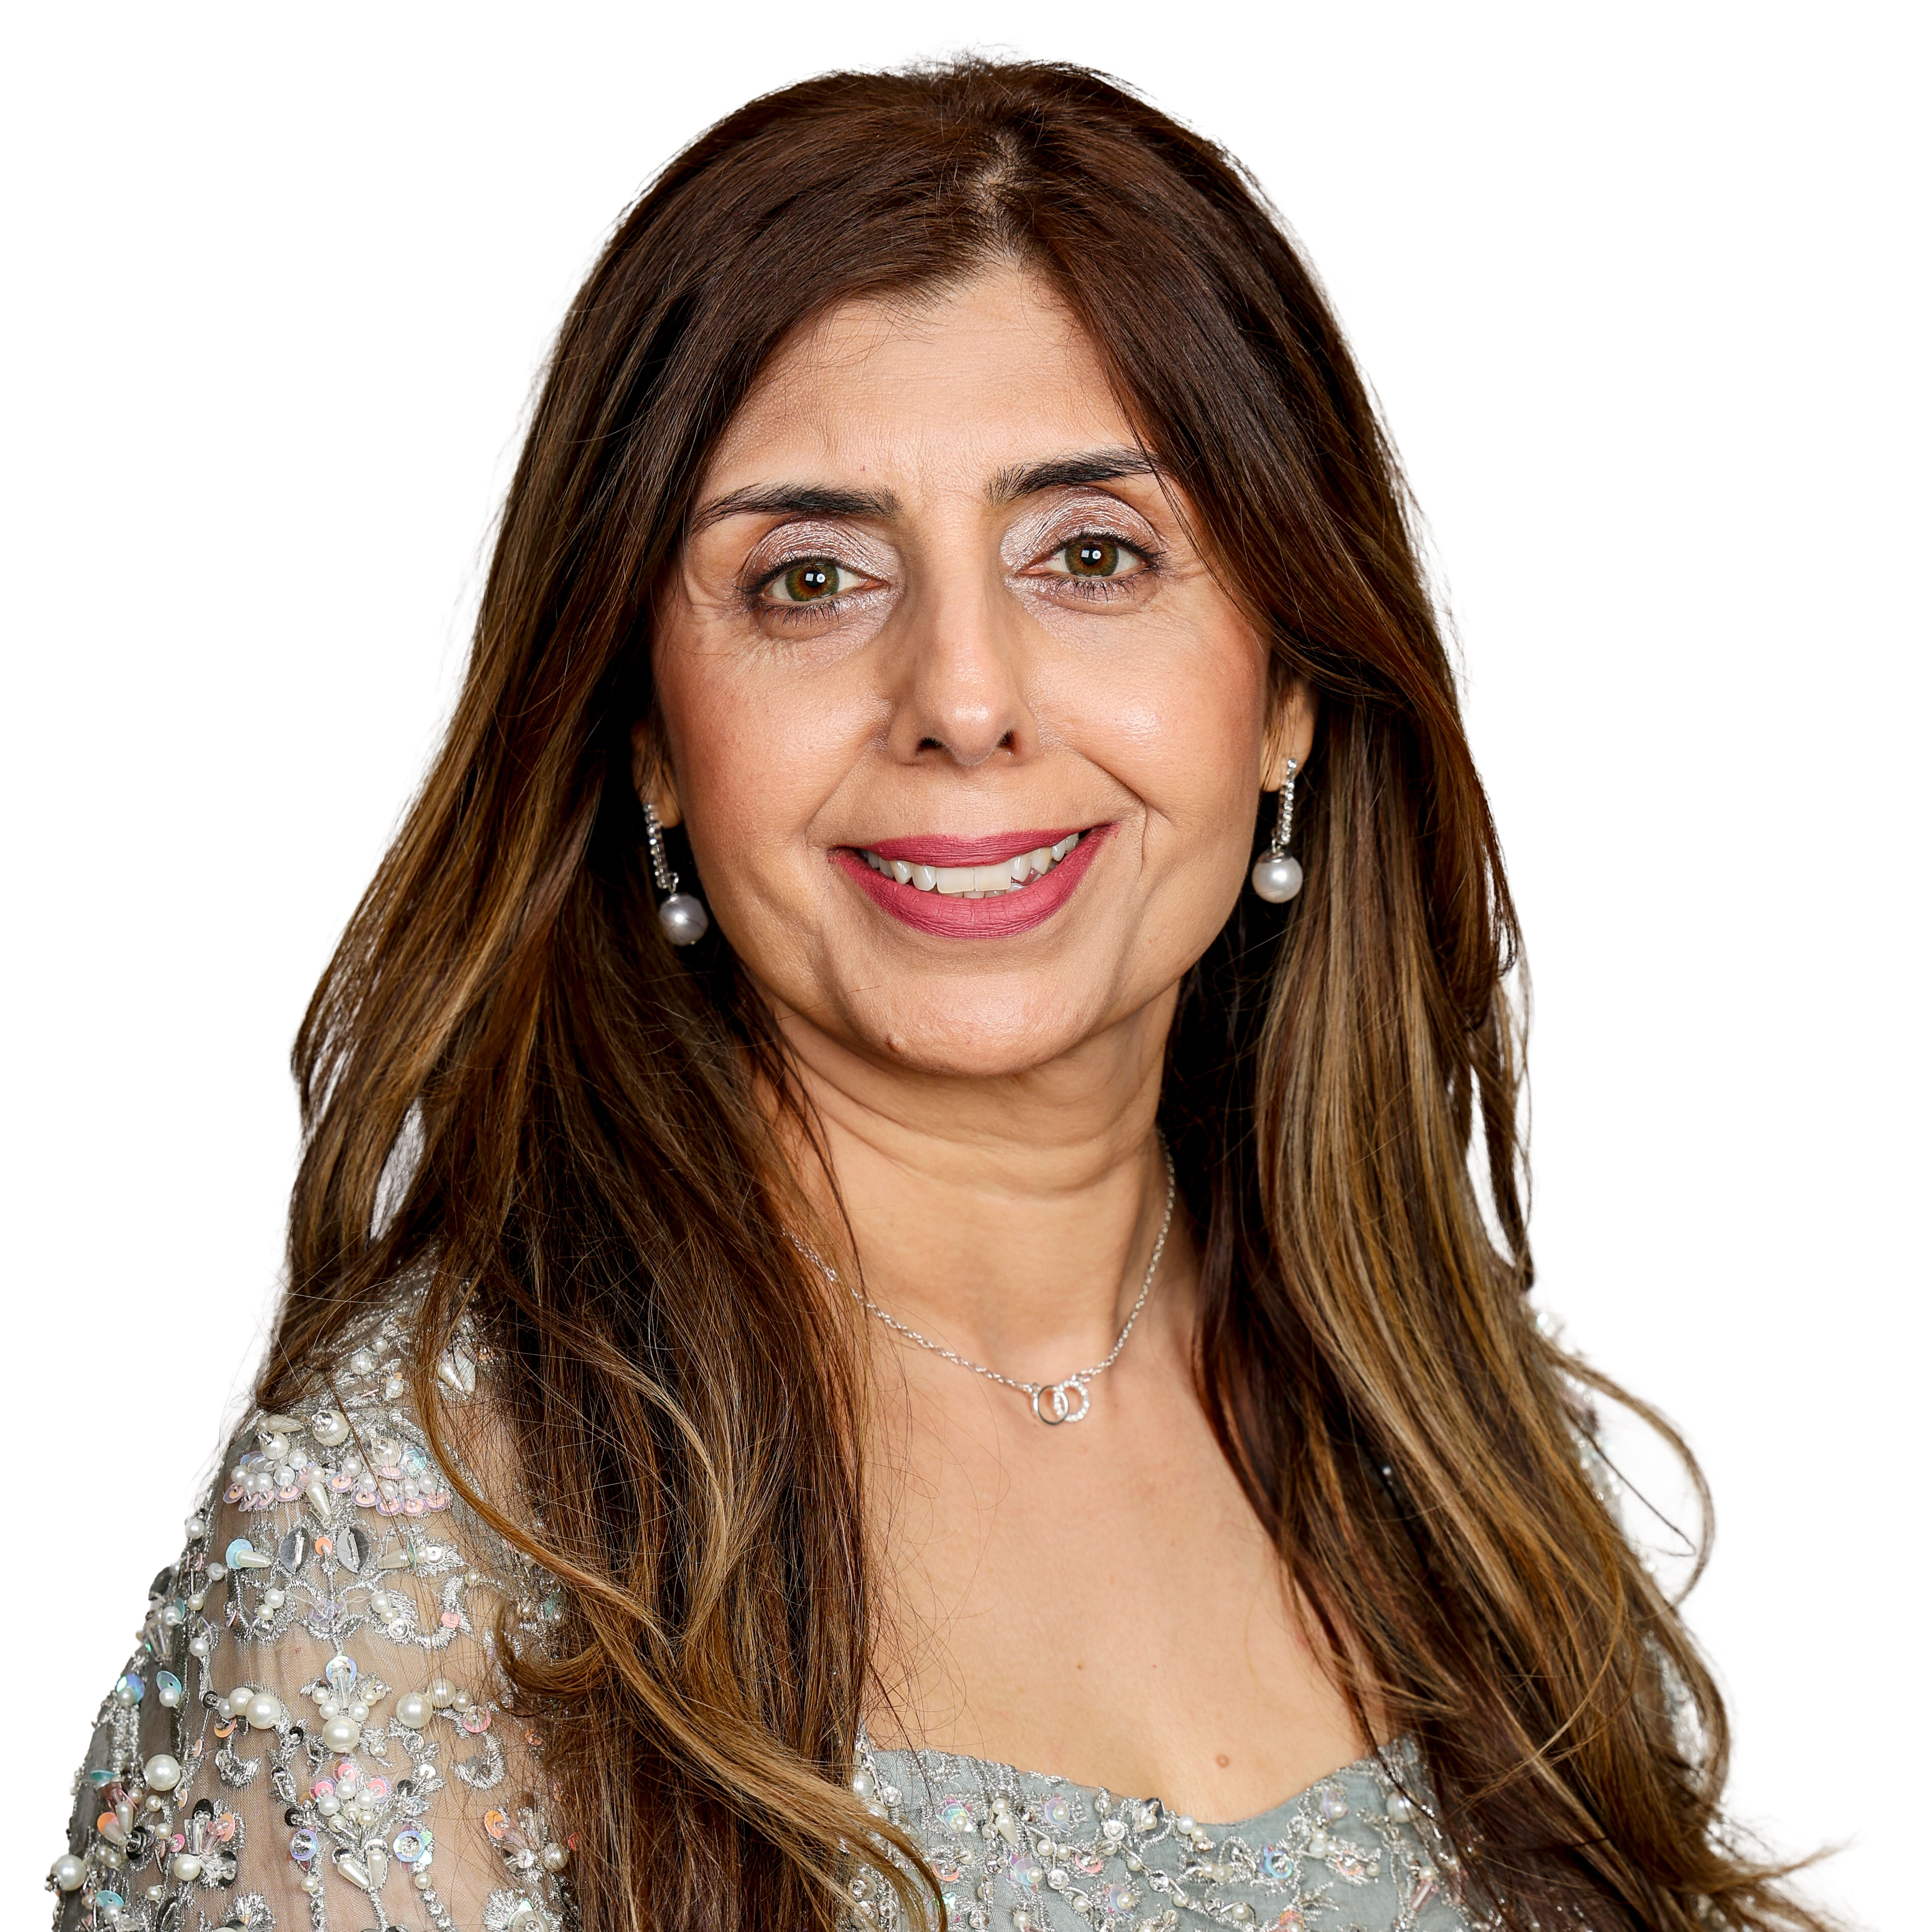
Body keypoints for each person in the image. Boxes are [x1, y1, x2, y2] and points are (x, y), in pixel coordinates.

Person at [48, 60, 1834, 1932]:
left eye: (1093, 556)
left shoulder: (1461, 1445)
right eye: (812, 579)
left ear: (1291, 689)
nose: (963, 699)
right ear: (649, 734)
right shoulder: (414, 1531)